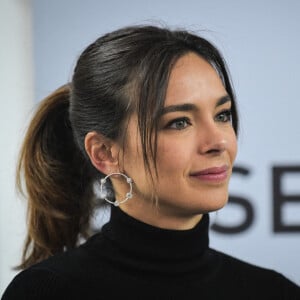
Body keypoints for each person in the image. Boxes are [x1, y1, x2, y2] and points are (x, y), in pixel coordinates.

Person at [2, 24, 299, 300]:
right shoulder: (47, 292)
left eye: (222, 115)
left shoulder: (274, 292)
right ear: (105, 153)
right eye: (179, 122)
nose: (219, 142)